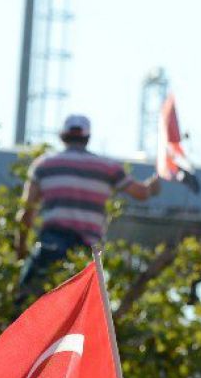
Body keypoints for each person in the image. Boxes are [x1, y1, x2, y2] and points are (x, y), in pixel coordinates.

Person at [15, 114, 161, 300]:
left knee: (25, 301)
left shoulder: (43, 165)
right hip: (87, 254)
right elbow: (142, 193)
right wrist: (154, 185)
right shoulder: (108, 167)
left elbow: (27, 212)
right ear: (87, 137)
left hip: (51, 247)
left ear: (62, 136)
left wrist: (21, 249)